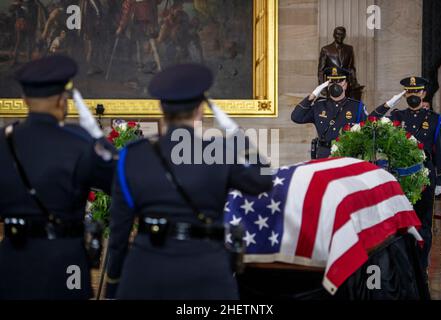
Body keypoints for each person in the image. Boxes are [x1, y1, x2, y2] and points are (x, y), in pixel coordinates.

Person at [104, 63, 273, 299]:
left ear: (162, 108)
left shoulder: (132, 155)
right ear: (200, 110)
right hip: (205, 272)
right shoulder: (219, 151)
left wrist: (113, 284)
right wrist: (237, 135)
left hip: (145, 272)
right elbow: (263, 179)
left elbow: (119, 230)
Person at [0, 55, 116, 299]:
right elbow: (118, 181)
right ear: (63, 101)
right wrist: (99, 139)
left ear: (24, 100)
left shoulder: (4, 141)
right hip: (65, 264)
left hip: (12, 264)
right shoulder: (79, 142)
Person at [369, 76, 441, 272]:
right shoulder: (397, 116)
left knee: (423, 224)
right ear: (405, 94)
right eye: (409, 92)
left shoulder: (434, 119)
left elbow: (440, 150)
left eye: (416, 91)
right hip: (400, 178)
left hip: (425, 175)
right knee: (400, 223)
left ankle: (420, 265)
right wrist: (391, 101)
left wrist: (440, 180)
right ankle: (402, 264)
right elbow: (372, 119)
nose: (413, 95)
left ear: (423, 93)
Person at [291, 66, 368, 159]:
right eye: (331, 81)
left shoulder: (357, 107)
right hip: (324, 155)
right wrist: (312, 96)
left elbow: (366, 133)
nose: (335, 84)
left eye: (339, 81)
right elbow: (296, 117)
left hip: (348, 155)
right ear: (327, 85)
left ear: (346, 85)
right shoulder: (319, 105)